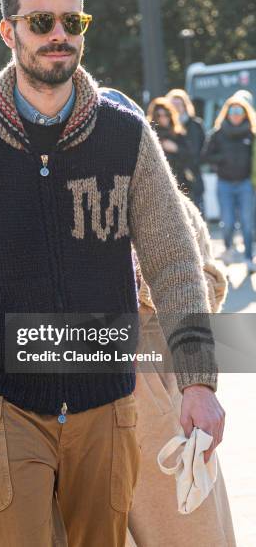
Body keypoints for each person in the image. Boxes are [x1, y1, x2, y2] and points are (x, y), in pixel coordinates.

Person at [0, 0, 224, 547]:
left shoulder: (126, 135)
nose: (59, 34)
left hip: (107, 402)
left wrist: (200, 382)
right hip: (4, 403)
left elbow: (176, 262)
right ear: (9, 31)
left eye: (71, 20)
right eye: (41, 20)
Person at [126, 194, 236, 547]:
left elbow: (207, 284)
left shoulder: (161, 197)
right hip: (66, 406)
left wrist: (142, 284)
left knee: (183, 529)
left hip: (161, 407)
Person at [202, 95, 256, 273]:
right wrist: (222, 159)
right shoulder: (218, 133)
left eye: (239, 111)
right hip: (224, 184)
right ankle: (228, 248)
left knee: (248, 223)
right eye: (232, 111)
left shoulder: (251, 133)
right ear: (227, 113)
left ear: (245, 113)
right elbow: (205, 156)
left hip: (245, 184)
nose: (235, 114)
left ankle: (249, 258)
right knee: (228, 222)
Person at [167, 88, 206, 212]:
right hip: (172, 177)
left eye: (179, 104)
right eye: (173, 104)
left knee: (197, 214)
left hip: (192, 177)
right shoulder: (165, 127)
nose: (176, 107)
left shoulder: (195, 125)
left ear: (185, 105)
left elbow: (198, 153)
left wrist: (177, 149)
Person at [147, 97, 194, 195]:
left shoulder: (178, 134)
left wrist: (176, 148)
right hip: (156, 182)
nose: (163, 117)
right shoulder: (149, 135)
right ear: (154, 116)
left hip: (178, 181)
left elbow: (191, 156)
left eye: (166, 114)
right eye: (159, 115)